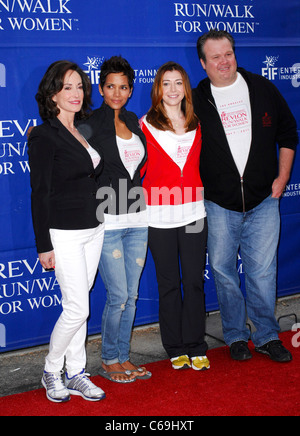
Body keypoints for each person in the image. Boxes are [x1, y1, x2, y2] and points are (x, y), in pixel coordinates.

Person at [193, 30, 298, 362]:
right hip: (219, 203)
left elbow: (288, 132)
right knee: (223, 271)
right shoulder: (196, 100)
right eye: (216, 57)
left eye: (229, 54)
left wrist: (282, 178)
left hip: (264, 199)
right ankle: (236, 335)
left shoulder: (262, 88)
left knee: (263, 272)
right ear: (203, 63)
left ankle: (267, 335)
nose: (224, 61)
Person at [28, 61, 106, 402]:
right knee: (78, 308)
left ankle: (75, 372)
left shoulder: (84, 128)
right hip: (64, 233)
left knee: (78, 302)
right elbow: (39, 192)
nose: (75, 94)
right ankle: (50, 370)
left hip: (95, 228)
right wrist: (44, 245)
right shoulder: (44, 135)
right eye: (67, 87)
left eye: (79, 86)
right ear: (52, 93)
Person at [79, 56, 151, 383]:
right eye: (111, 86)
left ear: (131, 89)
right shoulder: (91, 122)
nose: (117, 93)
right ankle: (109, 359)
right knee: (118, 296)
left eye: (123, 87)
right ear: (102, 88)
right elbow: (75, 162)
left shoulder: (135, 121)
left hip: (138, 217)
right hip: (107, 220)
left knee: (132, 297)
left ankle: (123, 356)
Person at [140, 62, 209, 371]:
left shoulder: (197, 123)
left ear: (186, 88)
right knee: (168, 283)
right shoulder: (143, 125)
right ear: (158, 88)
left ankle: (196, 344)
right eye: (165, 83)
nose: (172, 89)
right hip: (159, 216)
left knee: (194, 280)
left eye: (178, 83)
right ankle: (175, 346)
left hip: (194, 213)